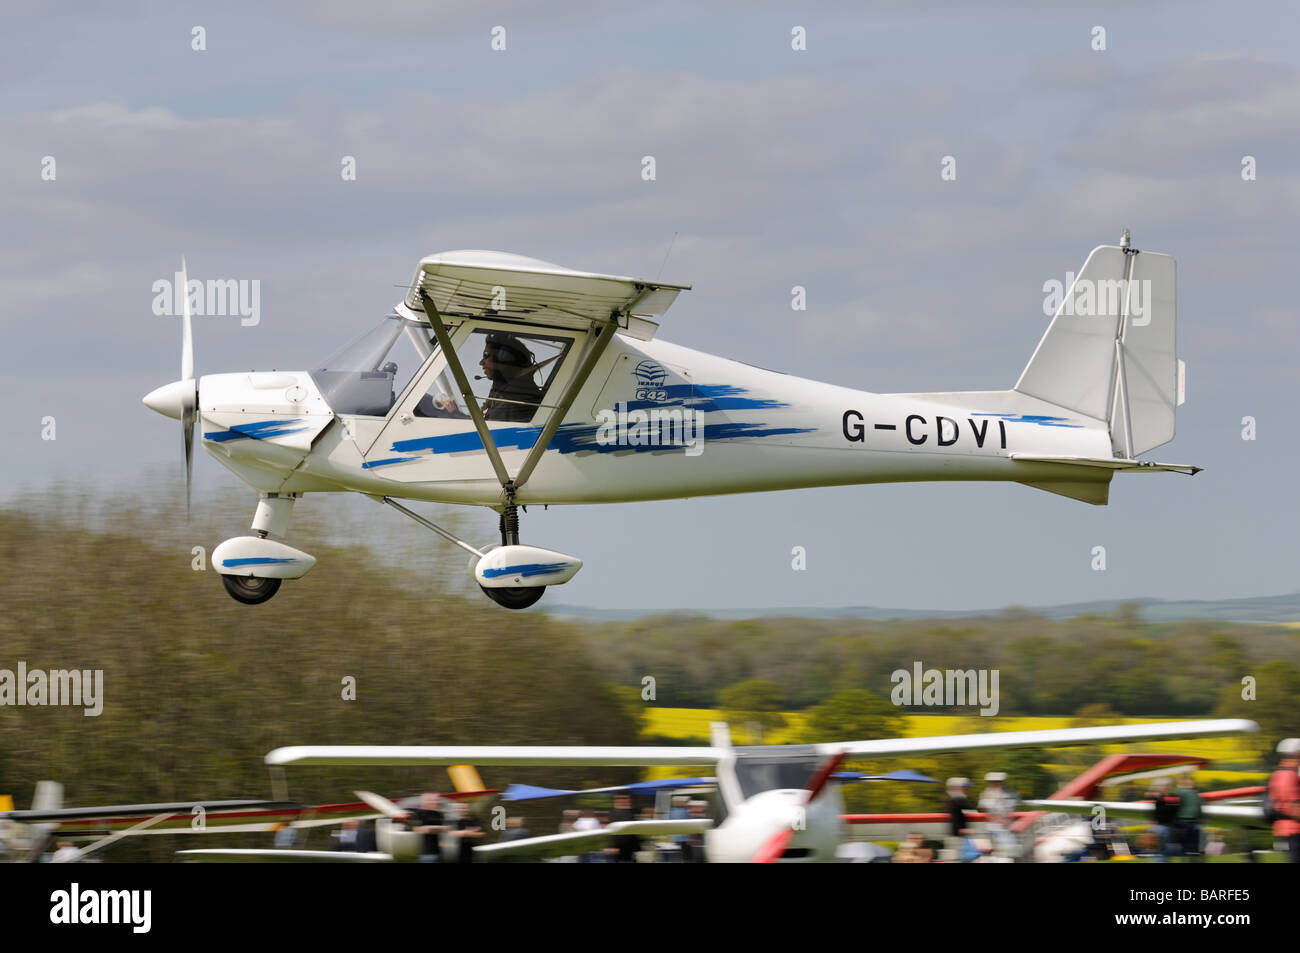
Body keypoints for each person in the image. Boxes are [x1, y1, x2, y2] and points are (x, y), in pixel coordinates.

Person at [480, 334, 543, 422]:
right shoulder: (503, 391)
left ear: (504, 357)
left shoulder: (516, 396)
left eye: (486, 355)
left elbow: (491, 427)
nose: (481, 363)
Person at [1269, 738, 1300, 863]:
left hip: (1288, 828)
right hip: (1295, 829)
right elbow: (1293, 804)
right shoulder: (1289, 775)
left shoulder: (1279, 773)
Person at [978, 771, 1020, 859]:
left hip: (1007, 827)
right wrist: (997, 820)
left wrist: (1007, 818)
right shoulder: (986, 794)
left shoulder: (1011, 793)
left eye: (999, 781)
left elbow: (1014, 808)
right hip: (992, 828)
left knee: (1011, 852)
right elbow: (985, 812)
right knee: (991, 853)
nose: (997, 783)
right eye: (994, 781)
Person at [407, 792, 448, 863]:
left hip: (440, 853)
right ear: (424, 801)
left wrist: (433, 829)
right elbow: (418, 829)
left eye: (435, 800)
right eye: (430, 800)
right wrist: (440, 828)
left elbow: (448, 829)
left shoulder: (439, 814)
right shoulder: (418, 813)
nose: (434, 802)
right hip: (426, 854)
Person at [1148, 778, 1180, 862]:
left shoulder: (1170, 798)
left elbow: (1174, 812)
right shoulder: (1160, 798)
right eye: (1165, 786)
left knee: (1162, 849)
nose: (1166, 788)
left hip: (1166, 827)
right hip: (1161, 827)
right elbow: (1154, 812)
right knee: (1159, 849)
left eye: (1167, 786)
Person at [1175, 774, 1204, 860]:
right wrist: (1177, 825)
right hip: (1183, 823)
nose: (1186, 781)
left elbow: (1199, 806)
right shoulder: (1177, 793)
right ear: (1179, 781)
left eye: (1188, 780)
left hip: (1194, 823)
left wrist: (1201, 817)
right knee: (1185, 849)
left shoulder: (1195, 792)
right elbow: (1175, 809)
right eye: (1184, 780)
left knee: (1194, 848)